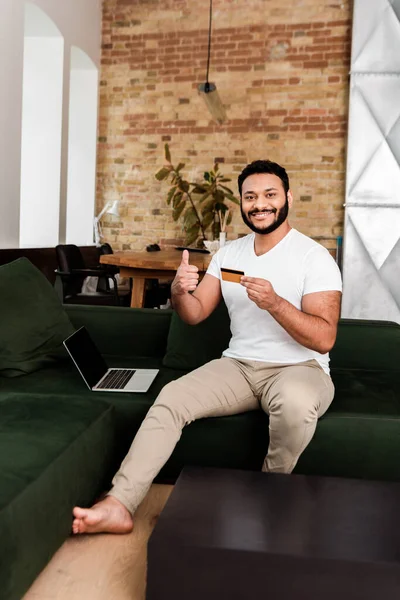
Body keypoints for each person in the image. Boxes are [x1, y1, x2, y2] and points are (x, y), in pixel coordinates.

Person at [72, 159, 342, 534]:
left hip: (300, 368)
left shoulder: (315, 258)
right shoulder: (229, 255)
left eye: (269, 195)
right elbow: (195, 313)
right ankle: (119, 504)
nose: (259, 204)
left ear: (288, 198)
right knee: (172, 397)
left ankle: (269, 496)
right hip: (240, 367)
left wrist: (276, 304)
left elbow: (324, 337)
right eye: (250, 196)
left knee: (295, 406)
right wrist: (179, 291)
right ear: (242, 204)